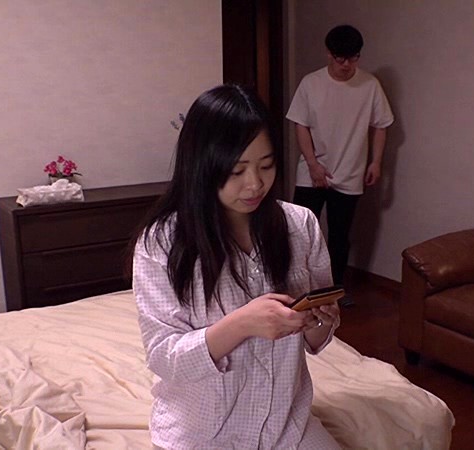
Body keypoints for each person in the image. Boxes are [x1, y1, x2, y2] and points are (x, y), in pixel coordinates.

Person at [131, 84, 342, 449]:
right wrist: (242, 324)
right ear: (202, 166)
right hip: (204, 430)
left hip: (285, 423)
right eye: (236, 170)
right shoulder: (162, 242)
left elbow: (316, 340)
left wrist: (320, 322)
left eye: (266, 165)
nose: (255, 184)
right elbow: (164, 357)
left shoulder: (300, 224)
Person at [287, 24, 394, 305]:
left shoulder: (370, 85)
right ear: (329, 54)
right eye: (340, 58)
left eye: (353, 58)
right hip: (311, 171)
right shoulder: (311, 83)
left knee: (339, 235)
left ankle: (333, 291)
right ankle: (296, 289)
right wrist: (313, 165)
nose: (347, 65)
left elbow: (381, 126)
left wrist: (376, 162)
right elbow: (300, 125)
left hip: (351, 172)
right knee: (299, 231)